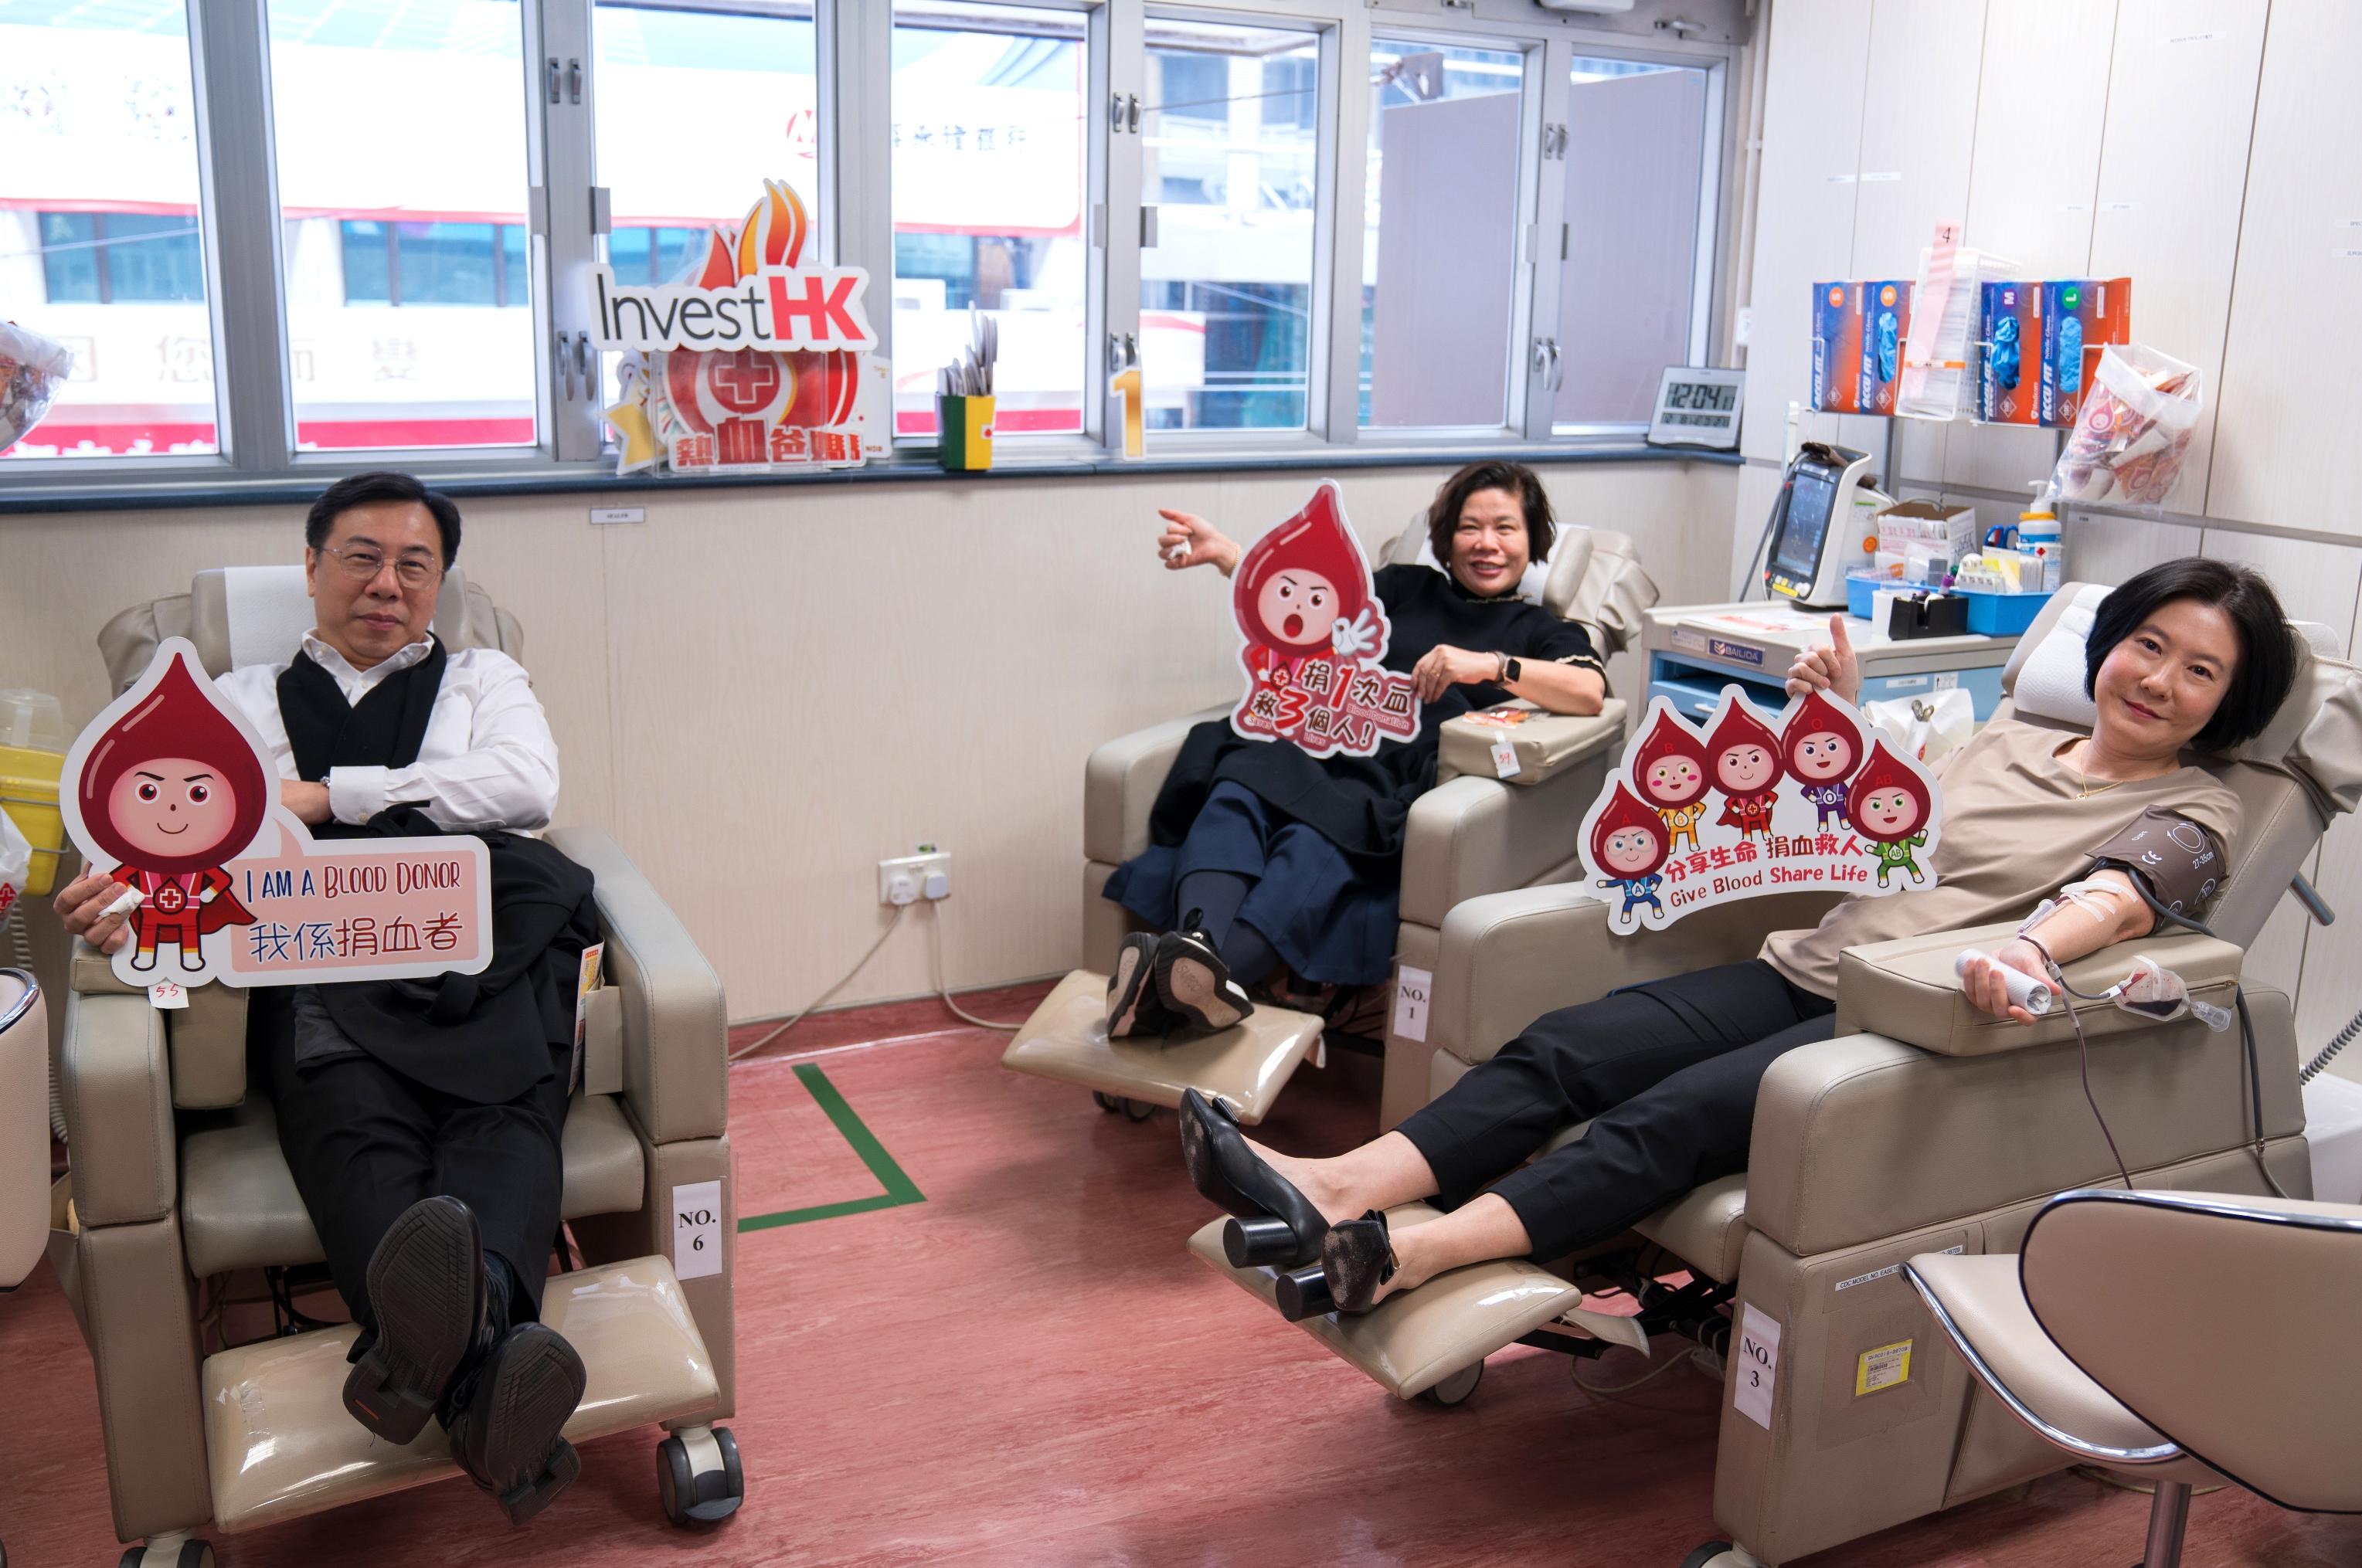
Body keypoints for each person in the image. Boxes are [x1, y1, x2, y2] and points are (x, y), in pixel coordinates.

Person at [1180, 557, 2300, 1316]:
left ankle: (1409, 1249)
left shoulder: (2204, 808)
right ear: (2106, 644)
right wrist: (1846, 721)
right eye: (2147, 645)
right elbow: (1881, 832)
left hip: (1909, 1025)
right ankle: (1340, 1185)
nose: (2157, 679)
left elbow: (2126, 889)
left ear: (2229, 706)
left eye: (2200, 670)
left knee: (1663, 1118)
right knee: (1568, 1042)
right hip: (1807, 968)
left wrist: (2036, 949)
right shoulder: (2009, 737)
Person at [53, 470, 591, 1525]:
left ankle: (417, 1358)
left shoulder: (487, 678)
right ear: (309, 568)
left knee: (510, 1104)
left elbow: (523, 787)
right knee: (349, 1111)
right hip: (317, 940)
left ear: (439, 584)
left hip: (476, 931)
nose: (385, 583)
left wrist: (320, 794)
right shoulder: (237, 698)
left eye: (414, 564)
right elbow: (174, 827)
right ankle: (489, 1385)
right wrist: (120, 890)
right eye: (360, 556)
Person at [1102, 462, 1609, 1040]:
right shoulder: (1401, 587)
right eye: (1470, 527)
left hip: (1387, 776)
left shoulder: (1540, 629)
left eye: (1504, 528)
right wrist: (1228, 556)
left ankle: (1161, 997)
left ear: (1532, 538)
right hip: (1313, 738)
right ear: (1445, 538)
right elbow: (1310, 599)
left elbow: (1589, 691)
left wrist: (1490, 665)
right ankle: (1193, 951)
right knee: (1234, 790)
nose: (1486, 544)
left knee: (1310, 840)